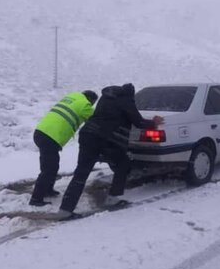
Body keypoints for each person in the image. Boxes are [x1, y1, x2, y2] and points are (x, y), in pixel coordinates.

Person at [58, 83, 163, 219]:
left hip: (88, 135)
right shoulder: (126, 100)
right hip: (106, 139)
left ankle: (65, 210)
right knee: (123, 165)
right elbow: (138, 122)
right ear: (130, 94)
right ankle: (113, 198)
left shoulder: (106, 97)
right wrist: (154, 122)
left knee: (81, 173)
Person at [29, 89, 99, 206]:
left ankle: (47, 190)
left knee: (52, 165)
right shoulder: (85, 105)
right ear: (91, 100)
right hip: (50, 137)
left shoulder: (72, 97)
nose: (92, 105)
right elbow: (97, 119)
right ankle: (36, 199)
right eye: (93, 103)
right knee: (48, 169)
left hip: (40, 132)